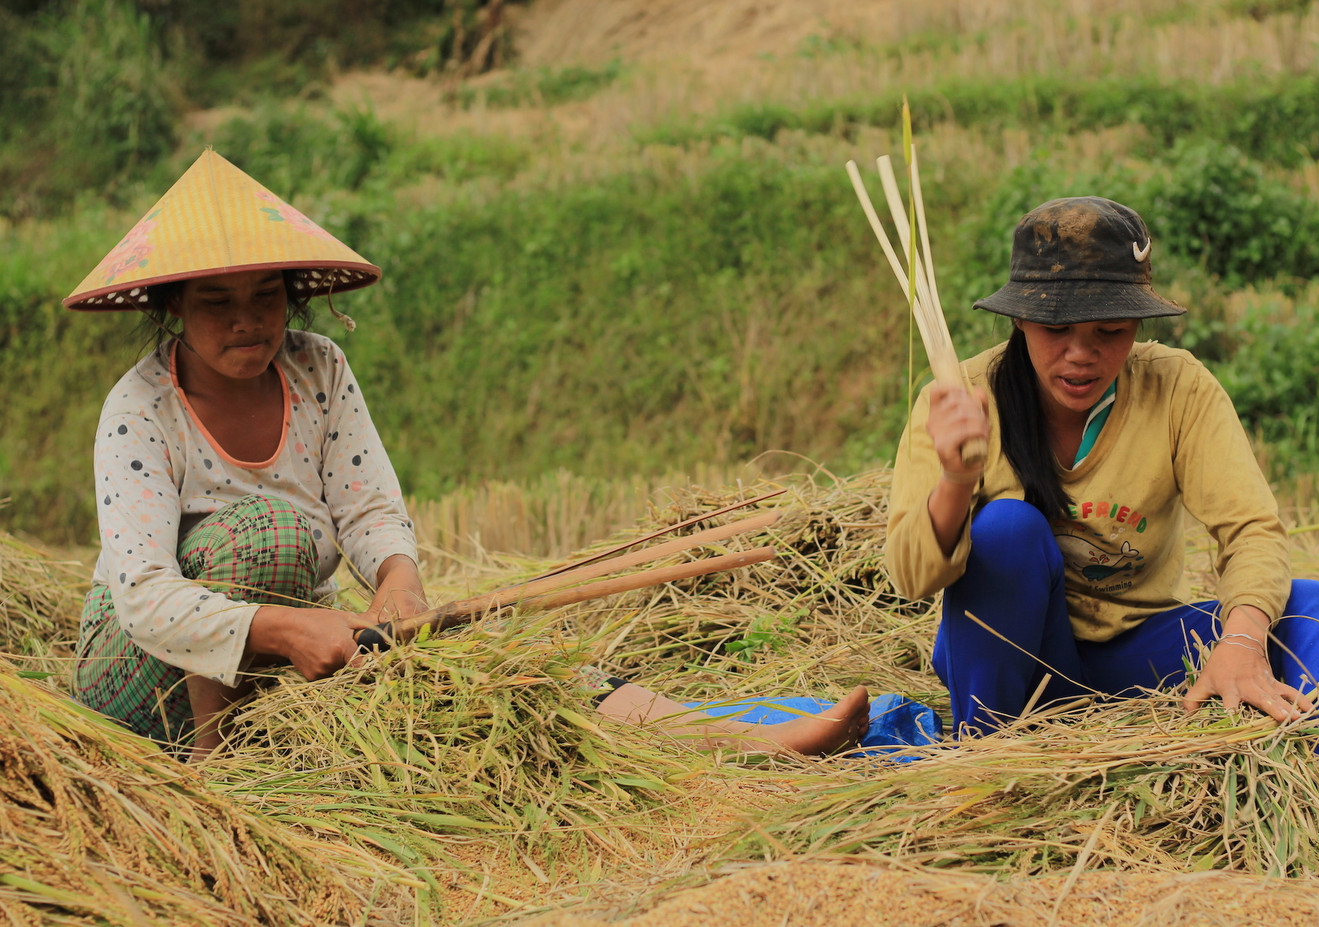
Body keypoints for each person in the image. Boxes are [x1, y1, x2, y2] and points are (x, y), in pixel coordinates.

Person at [66, 150, 870, 761]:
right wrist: (285, 626)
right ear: (171, 306)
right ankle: (219, 765)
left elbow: (370, 507)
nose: (247, 321)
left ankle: (733, 741)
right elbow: (144, 598)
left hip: (290, 645)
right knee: (266, 534)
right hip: (148, 671)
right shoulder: (142, 409)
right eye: (216, 302)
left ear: (294, 296)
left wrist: (396, 581)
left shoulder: (318, 369)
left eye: (266, 297)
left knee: (488, 661)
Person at [884, 196, 1319, 796]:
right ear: (1019, 320)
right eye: (1056, 329)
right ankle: (986, 765)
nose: (1081, 354)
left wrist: (1242, 643)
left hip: (1143, 653)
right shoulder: (959, 399)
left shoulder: (1178, 388)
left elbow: (1250, 531)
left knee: (1314, 609)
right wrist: (957, 481)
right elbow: (910, 577)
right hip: (1016, 662)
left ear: (1138, 325)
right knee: (1006, 530)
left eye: (1109, 331)